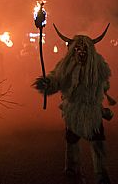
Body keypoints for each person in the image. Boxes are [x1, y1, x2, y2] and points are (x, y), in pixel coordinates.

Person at [33, 24, 113, 184]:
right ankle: (72, 168)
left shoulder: (98, 65)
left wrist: (102, 91)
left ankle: (101, 174)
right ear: (72, 49)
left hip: (92, 109)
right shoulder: (65, 64)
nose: (82, 52)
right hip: (74, 109)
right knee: (72, 140)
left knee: (97, 141)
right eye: (78, 48)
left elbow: (104, 82)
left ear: (91, 50)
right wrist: (48, 83)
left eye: (85, 49)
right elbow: (57, 79)